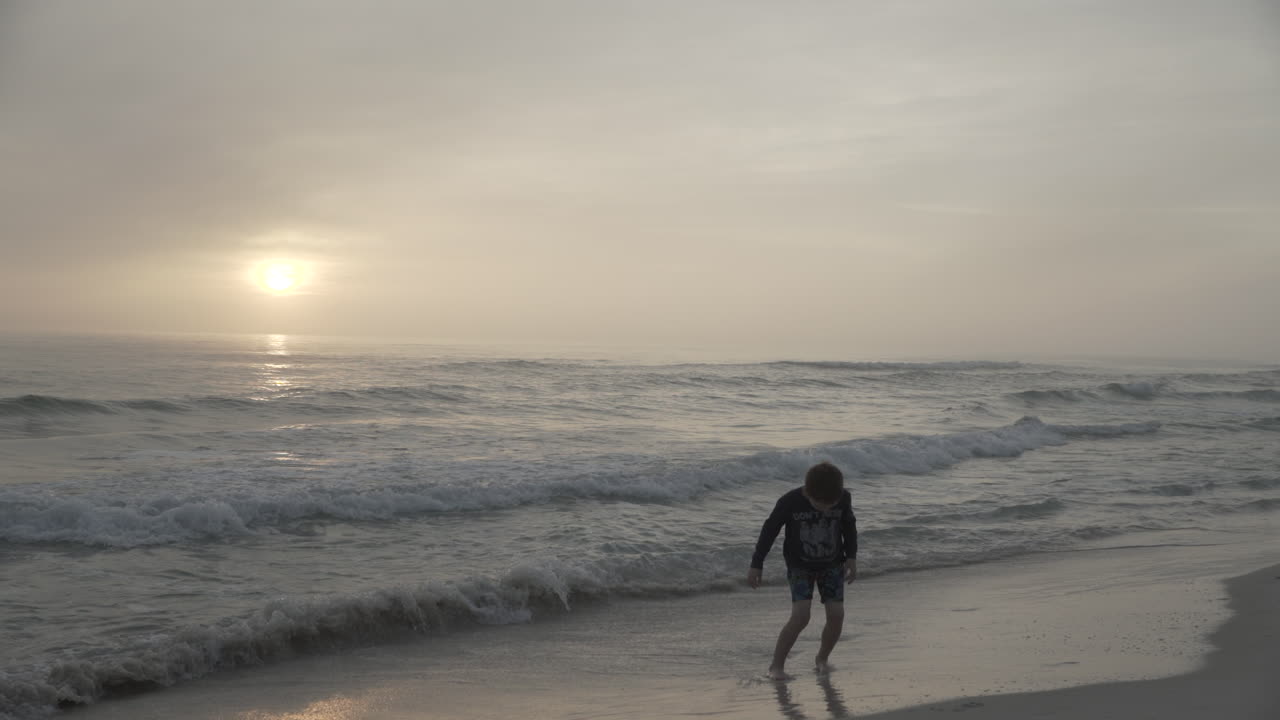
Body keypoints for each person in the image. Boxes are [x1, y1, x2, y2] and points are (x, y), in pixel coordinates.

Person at [748, 461, 857, 679]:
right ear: (808, 492)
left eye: (831, 504)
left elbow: (849, 526)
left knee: (837, 615)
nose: (827, 508)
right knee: (801, 617)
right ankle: (776, 666)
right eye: (821, 504)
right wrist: (756, 563)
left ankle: (822, 659)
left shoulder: (843, 497)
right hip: (800, 566)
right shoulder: (790, 502)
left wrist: (852, 557)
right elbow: (769, 530)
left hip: (833, 564)